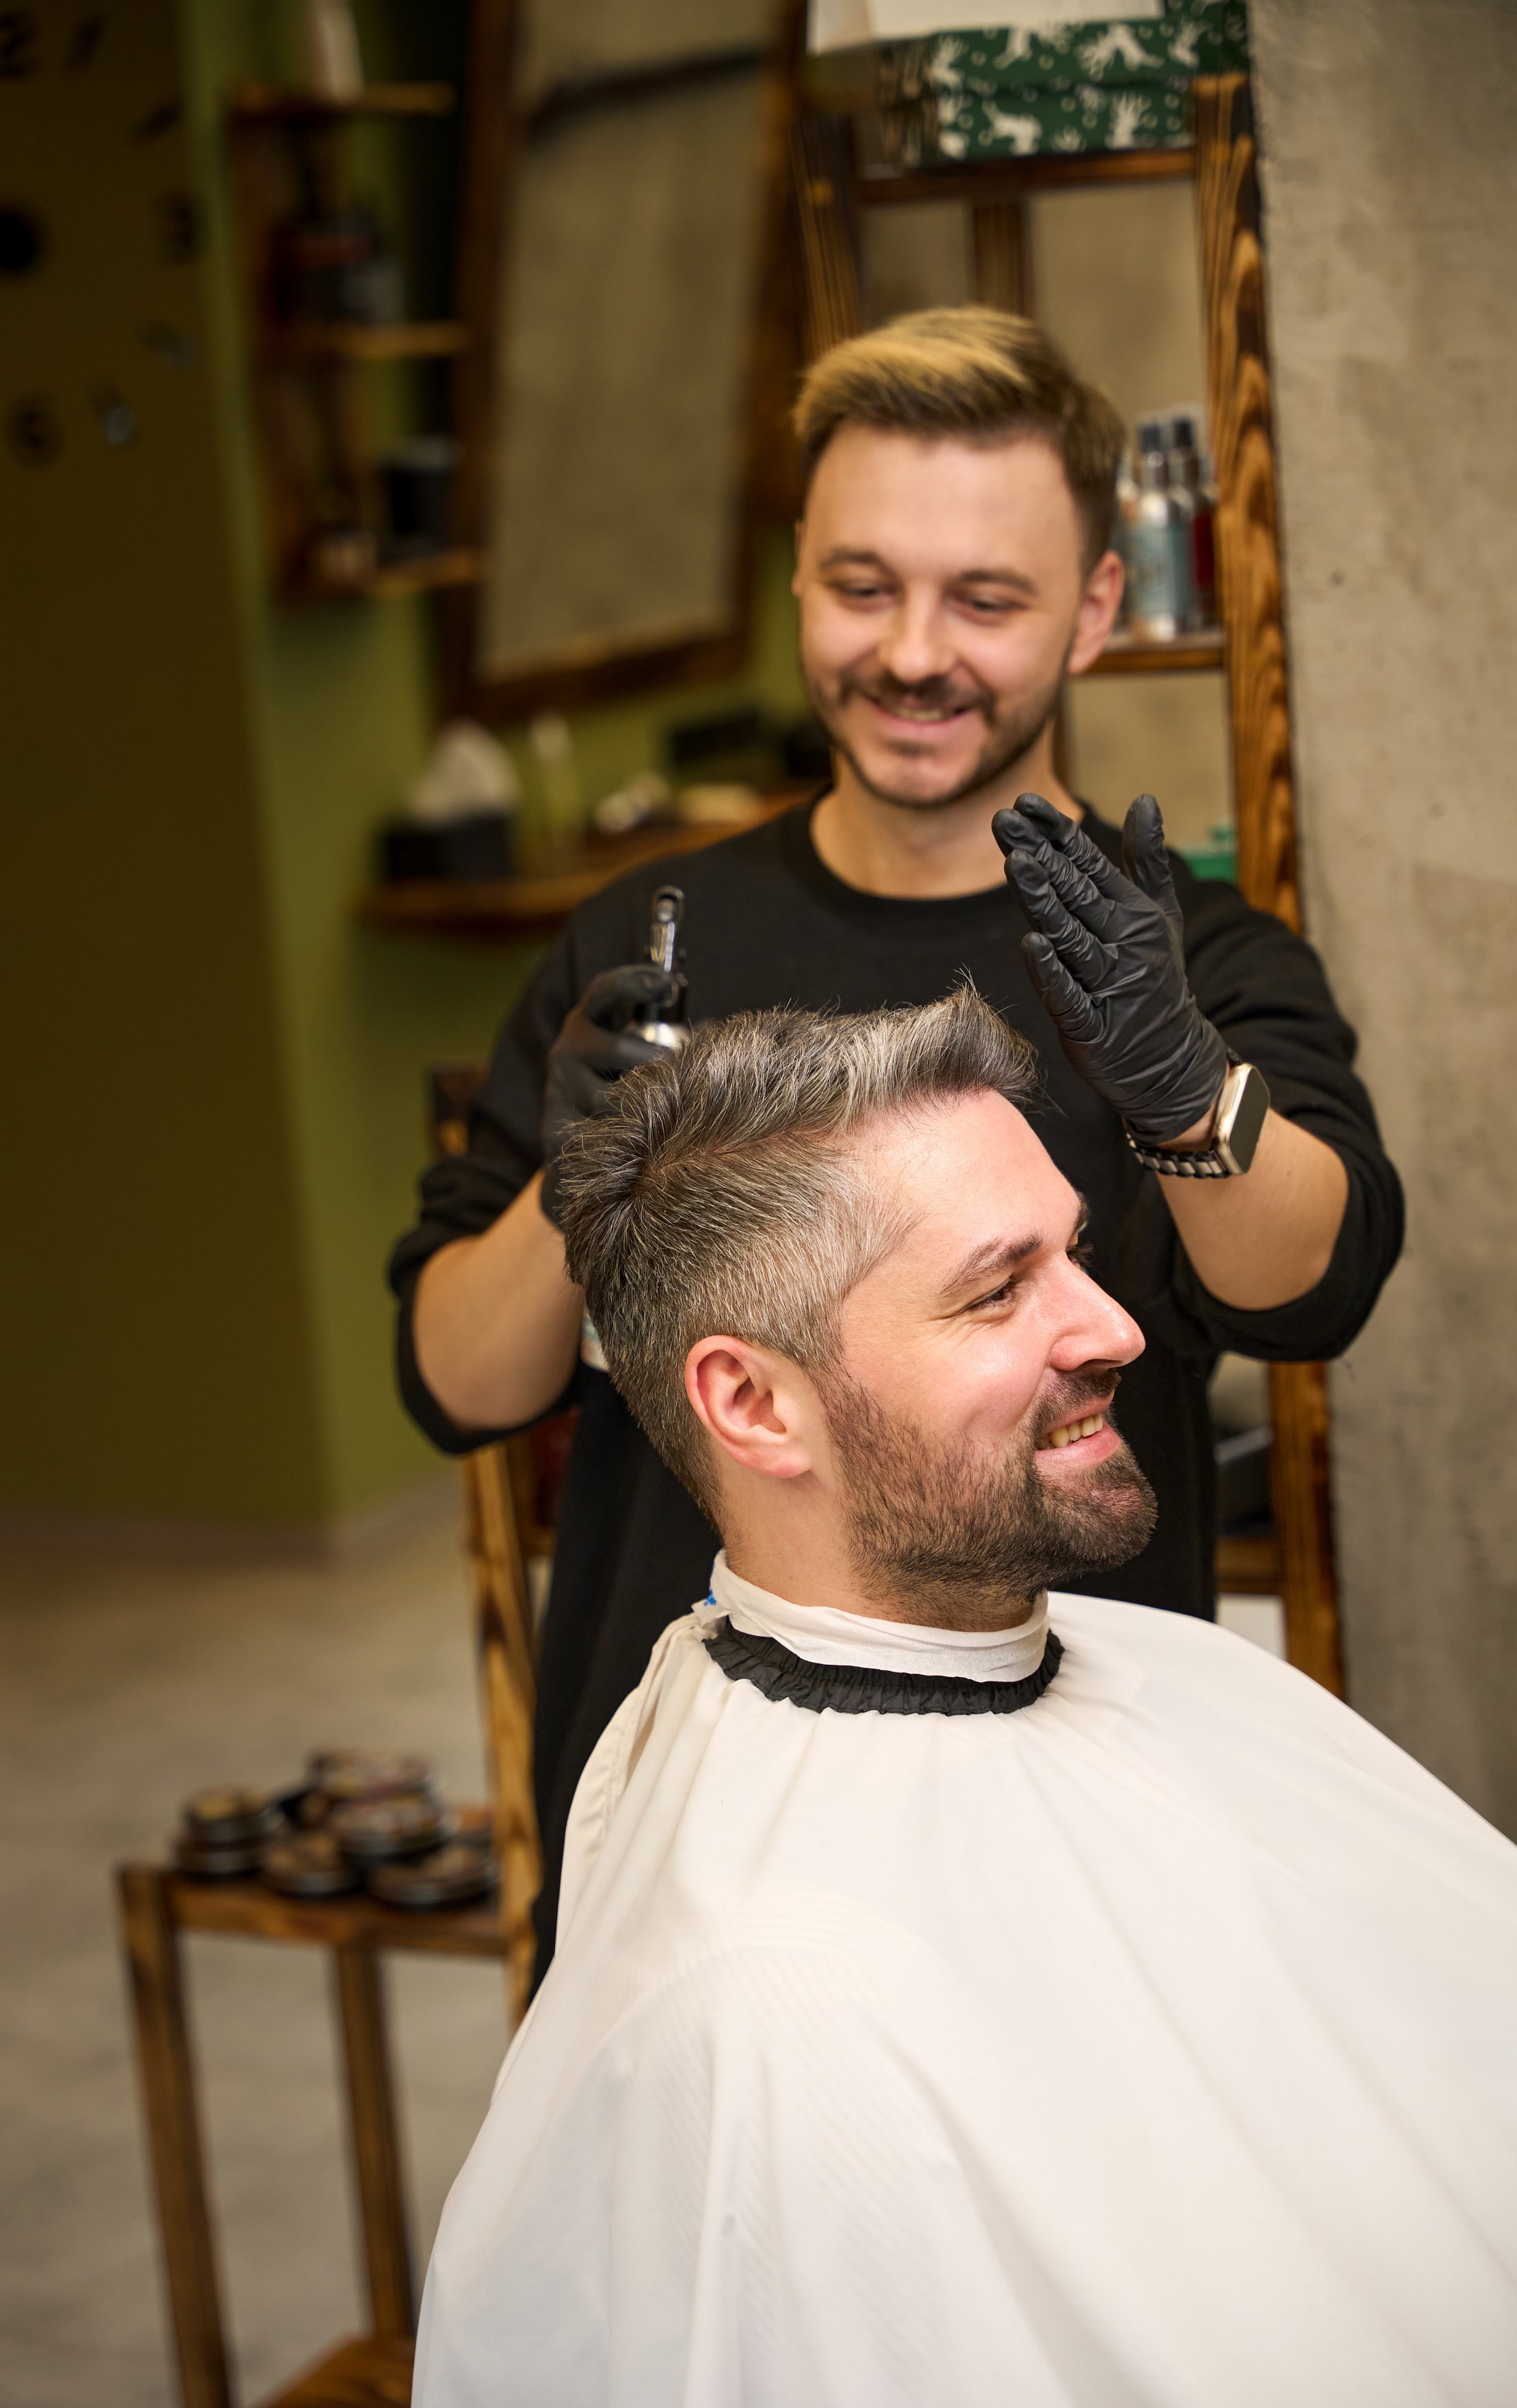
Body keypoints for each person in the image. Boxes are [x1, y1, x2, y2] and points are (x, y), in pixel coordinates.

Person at [389, 307, 1403, 1980]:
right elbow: (456, 1382)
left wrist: (1180, 1085)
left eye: (985, 600)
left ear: (1093, 610)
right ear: (797, 574)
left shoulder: (1195, 966)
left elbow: (1316, 1290)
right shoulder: (643, 943)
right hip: (699, 1822)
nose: (913, 650)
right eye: (862, 586)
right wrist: (576, 1180)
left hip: (1057, 1804)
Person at [410, 994, 1516, 2408]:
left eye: (1073, 1250)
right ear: (752, 1403)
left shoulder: (1175, 1678)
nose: (1114, 1324)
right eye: (1000, 1291)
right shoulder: (770, 2010)